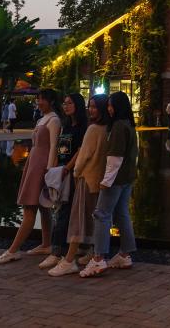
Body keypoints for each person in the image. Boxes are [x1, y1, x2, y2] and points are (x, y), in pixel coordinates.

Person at [0, 88, 62, 264]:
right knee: (43, 207)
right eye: (38, 99)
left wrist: (49, 169)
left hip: (41, 166)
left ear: (51, 101)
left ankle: (13, 250)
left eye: (42, 99)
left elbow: (54, 146)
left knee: (30, 207)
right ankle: (46, 244)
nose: (39, 102)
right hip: (34, 163)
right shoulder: (42, 119)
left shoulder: (54, 120)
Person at [48, 94, 110, 276]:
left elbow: (83, 156)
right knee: (93, 218)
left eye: (94, 107)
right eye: (90, 106)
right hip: (99, 179)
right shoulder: (107, 128)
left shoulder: (92, 129)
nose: (91, 110)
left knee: (77, 219)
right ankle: (93, 252)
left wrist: (73, 172)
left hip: (85, 178)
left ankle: (68, 260)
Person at [80, 91, 137, 277]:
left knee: (101, 215)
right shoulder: (129, 124)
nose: (109, 109)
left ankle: (98, 258)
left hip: (115, 179)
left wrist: (106, 181)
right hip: (127, 178)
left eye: (111, 105)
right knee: (121, 213)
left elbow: (115, 157)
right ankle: (125, 254)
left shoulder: (119, 126)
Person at [39, 93, 88, 271]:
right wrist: (54, 168)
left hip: (71, 172)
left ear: (78, 105)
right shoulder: (66, 125)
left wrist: (67, 168)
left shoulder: (83, 127)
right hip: (60, 170)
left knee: (65, 211)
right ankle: (64, 249)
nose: (65, 106)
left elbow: (80, 150)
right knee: (60, 209)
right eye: (64, 103)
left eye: (69, 103)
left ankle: (57, 251)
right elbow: (60, 148)